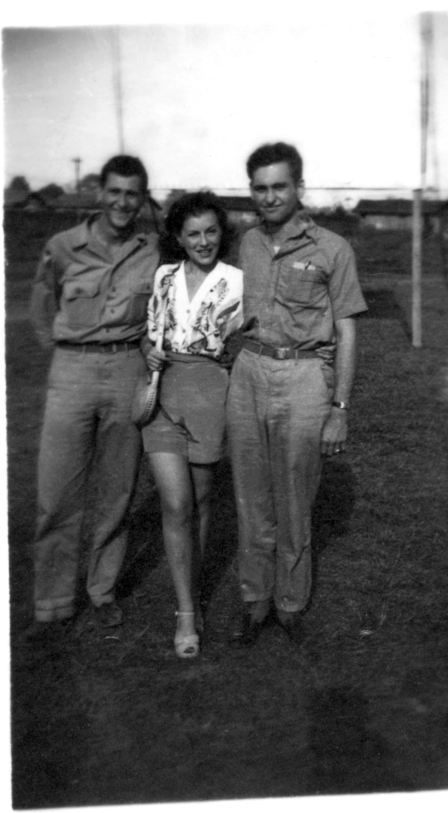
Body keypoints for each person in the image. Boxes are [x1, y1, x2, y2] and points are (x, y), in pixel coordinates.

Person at [227, 142, 367, 646]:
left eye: (279, 186)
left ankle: (290, 603)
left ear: (299, 188)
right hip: (248, 371)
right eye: (260, 188)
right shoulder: (247, 244)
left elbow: (348, 331)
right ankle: (254, 599)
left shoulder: (332, 248)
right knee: (250, 498)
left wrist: (340, 409)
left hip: (306, 377)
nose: (269, 197)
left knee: (294, 499)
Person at [27, 155, 159, 638]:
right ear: (99, 192)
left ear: (142, 199)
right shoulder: (63, 246)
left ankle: (101, 592)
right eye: (115, 191)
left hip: (127, 368)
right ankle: (53, 603)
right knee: (56, 492)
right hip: (72, 372)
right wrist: (67, 349)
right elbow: (42, 306)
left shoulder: (151, 251)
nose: (123, 202)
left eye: (133, 194)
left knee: (117, 491)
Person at [142, 191, 243, 658]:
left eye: (210, 232)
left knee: (201, 503)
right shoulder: (164, 276)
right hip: (164, 393)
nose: (203, 241)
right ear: (178, 238)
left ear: (221, 234)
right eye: (193, 234)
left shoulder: (239, 282)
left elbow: (249, 338)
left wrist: (233, 354)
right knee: (177, 504)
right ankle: (186, 612)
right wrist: (148, 350)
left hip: (209, 394)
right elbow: (150, 332)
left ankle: (195, 592)